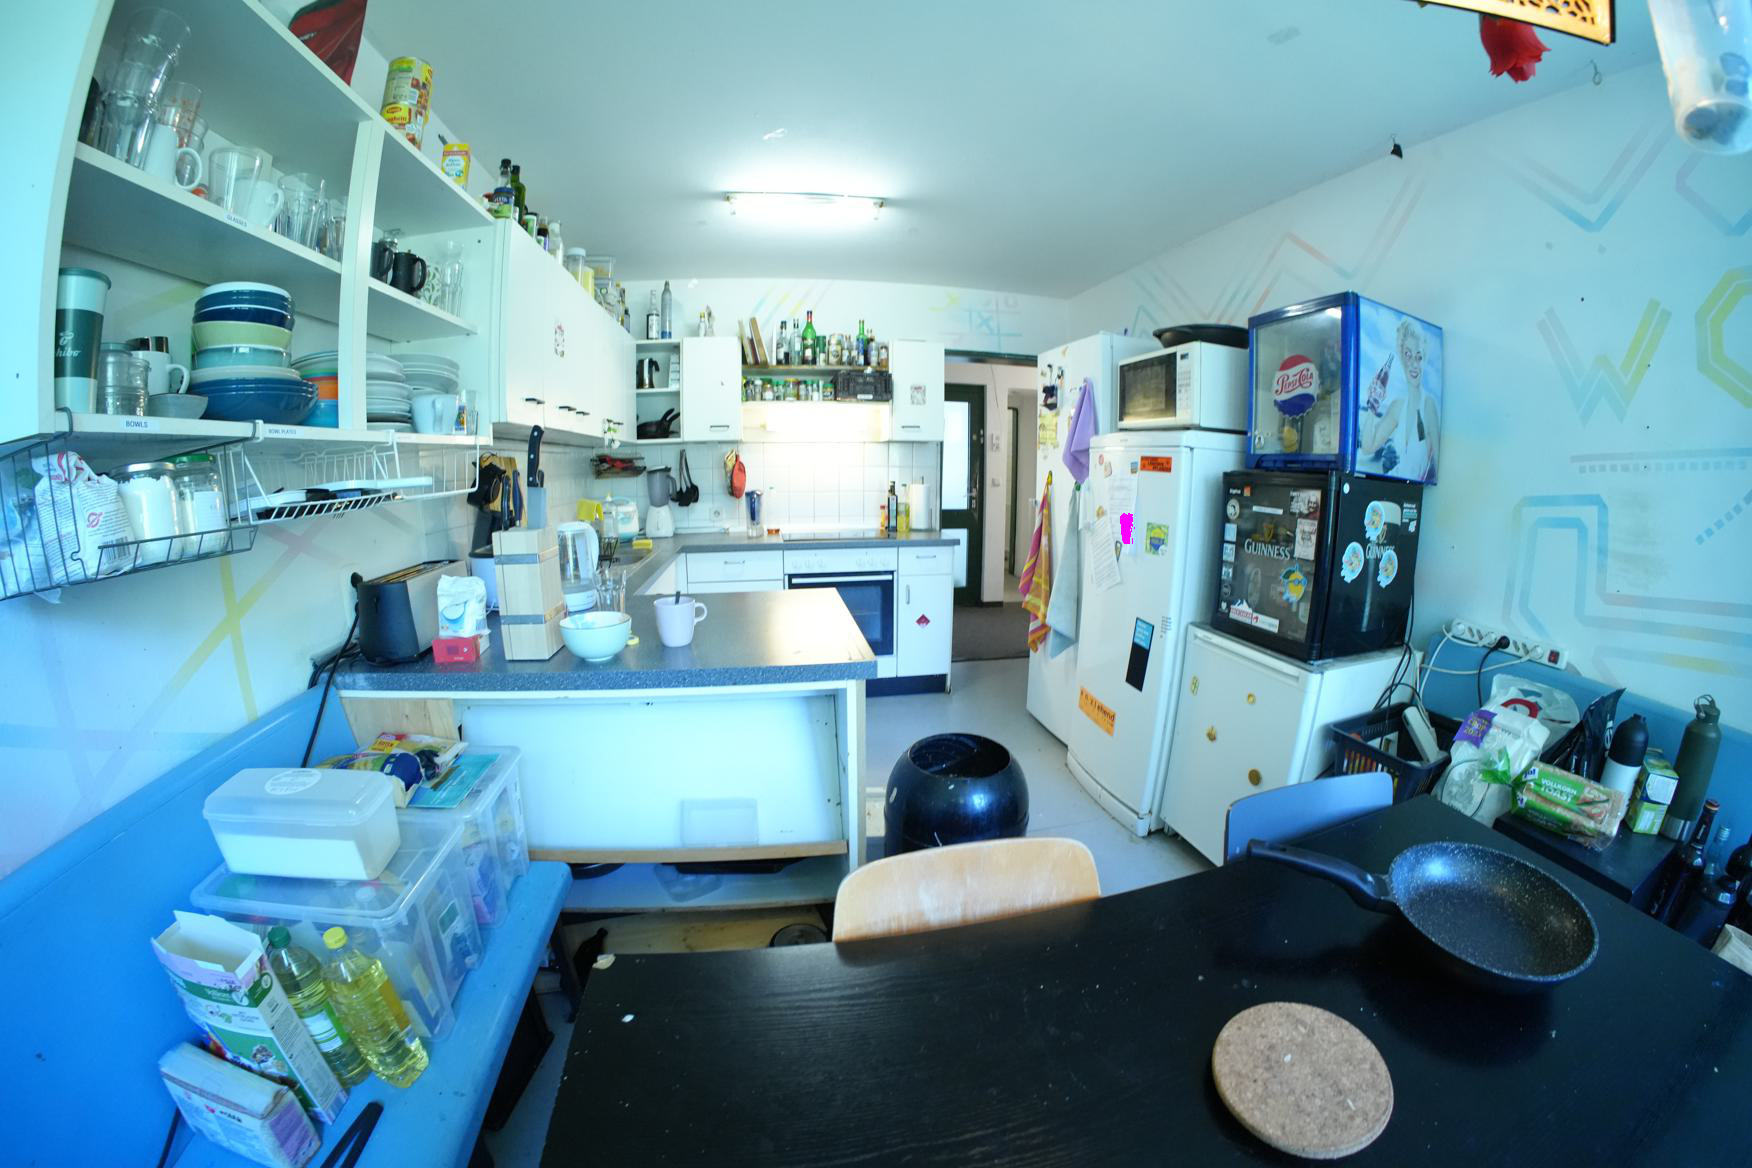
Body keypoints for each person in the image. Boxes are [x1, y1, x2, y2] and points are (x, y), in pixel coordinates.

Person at [1359, 316, 1439, 482]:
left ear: (1424, 360)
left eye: (1419, 357)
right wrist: (1372, 409)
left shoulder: (1429, 405)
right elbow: (1368, 447)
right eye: (1408, 355)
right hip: (1393, 483)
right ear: (1402, 358)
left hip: (1409, 490)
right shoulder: (1398, 406)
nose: (1414, 364)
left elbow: (1435, 468)